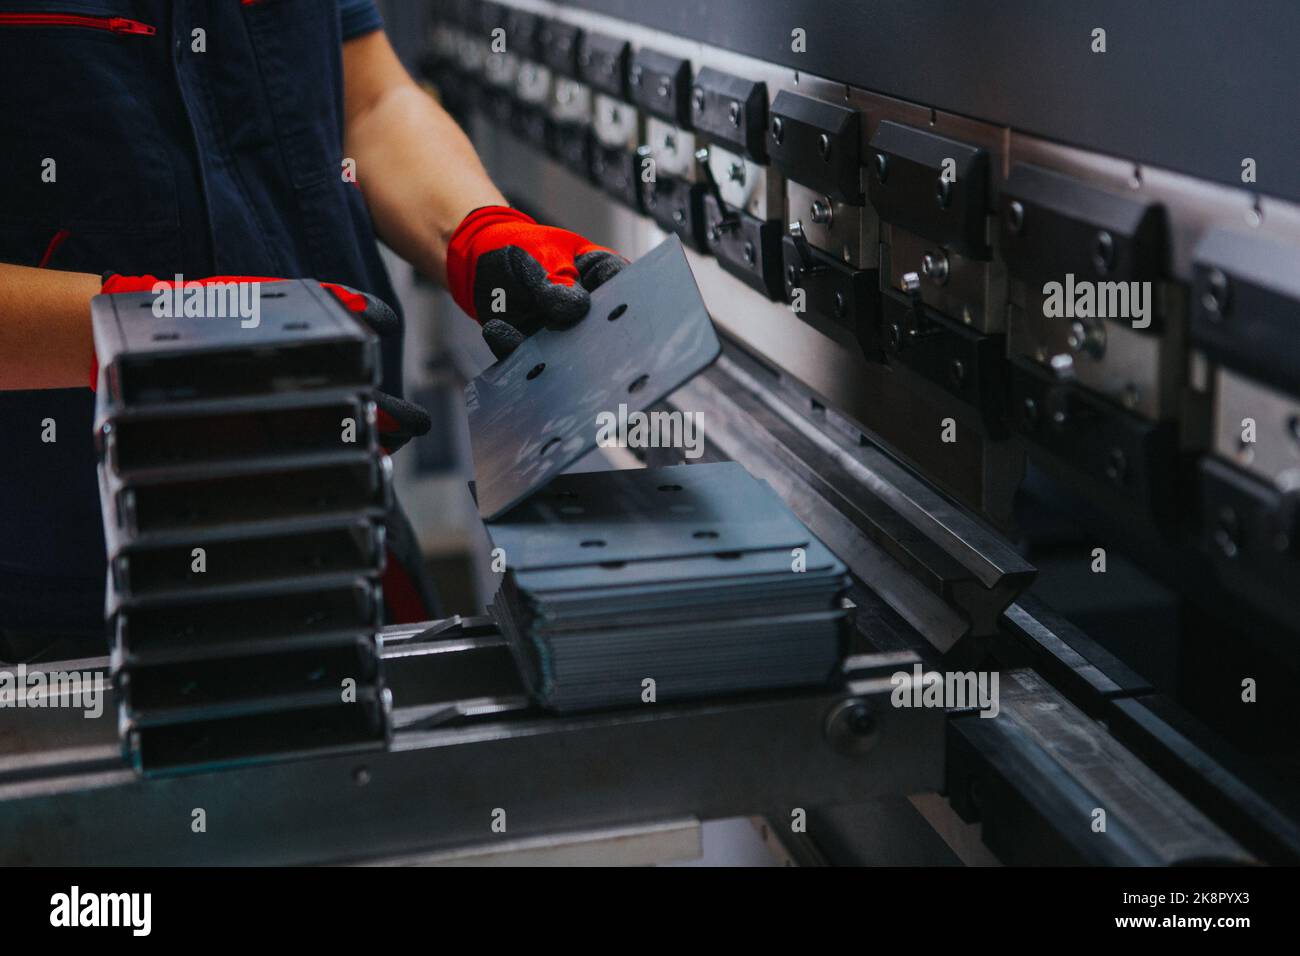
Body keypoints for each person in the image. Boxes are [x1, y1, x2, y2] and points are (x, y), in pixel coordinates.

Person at [0, 1, 624, 657]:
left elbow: (369, 102)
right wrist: (146, 344)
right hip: (55, 600)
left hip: (343, 524)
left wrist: (476, 231)